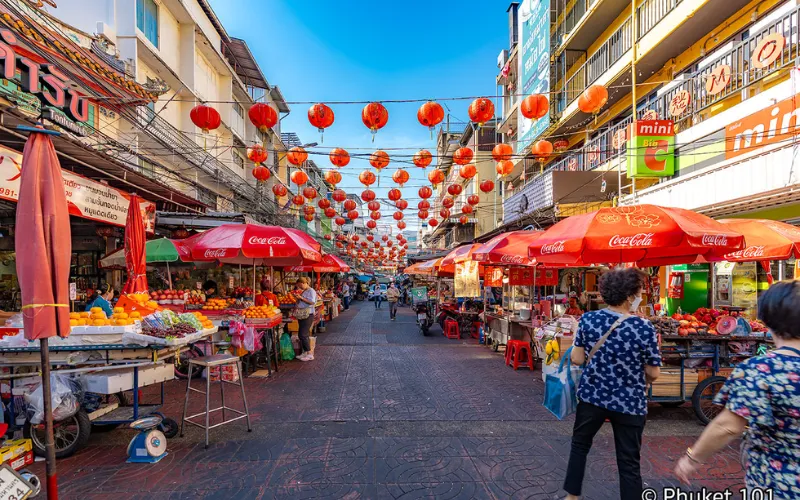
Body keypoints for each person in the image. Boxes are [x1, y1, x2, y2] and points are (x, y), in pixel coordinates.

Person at [674, 281, 800, 499]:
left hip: (778, 483)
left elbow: (728, 426)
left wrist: (692, 459)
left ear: (767, 320)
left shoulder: (759, 370)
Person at [563, 268, 661, 500]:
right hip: (630, 402)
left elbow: (577, 358)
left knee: (580, 445)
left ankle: (571, 497)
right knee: (629, 461)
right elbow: (654, 373)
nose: (640, 295)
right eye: (638, 292)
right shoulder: (644, 327)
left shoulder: (588, 319)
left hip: (592, 398)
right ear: (629, 296)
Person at [293, 277, 317, 362]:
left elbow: (312, 302)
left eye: (300, 285)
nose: (300, 287)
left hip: (308, 314)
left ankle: (310, 354)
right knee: (301, 334)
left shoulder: (311, 291)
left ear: (303, 283)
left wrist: (301, 298)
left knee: (303, 334)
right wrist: (298, 298)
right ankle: (305, 352)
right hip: (303, 314)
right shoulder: (305, 291)